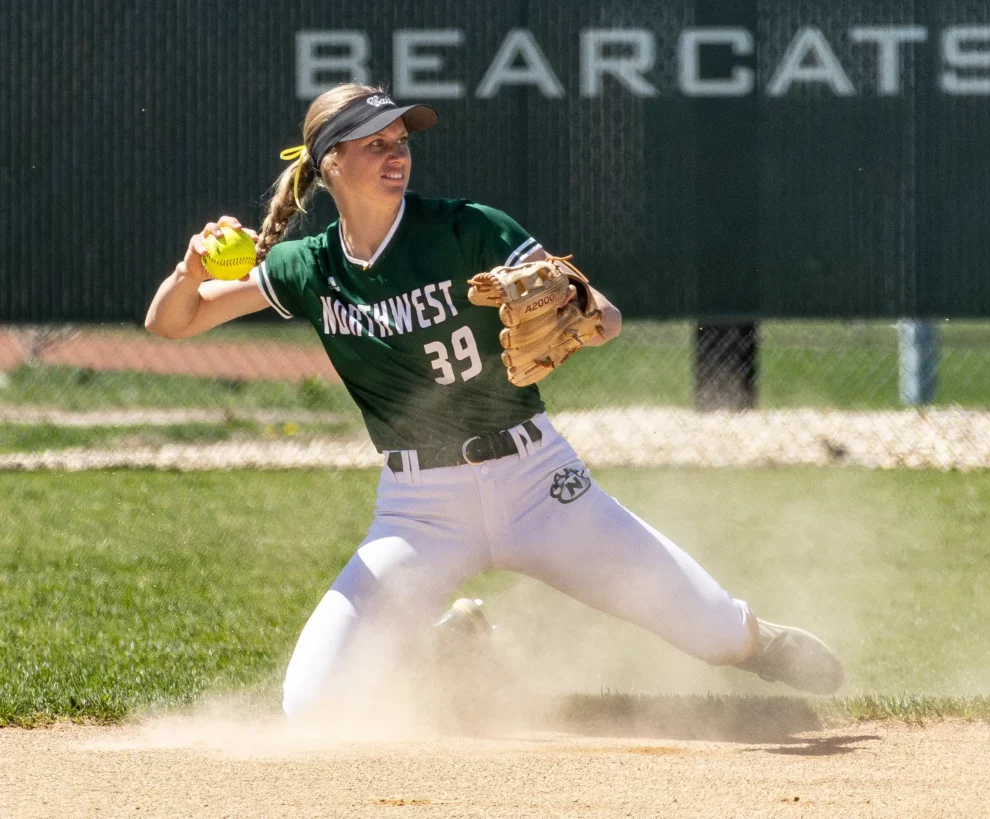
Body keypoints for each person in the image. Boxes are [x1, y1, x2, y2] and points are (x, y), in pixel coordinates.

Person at [146, 83, 843, 718]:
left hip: (539, 485)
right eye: (375, 143)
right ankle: (456, 653)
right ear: (329, 163)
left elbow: (604, 313)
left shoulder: (465, 228)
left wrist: (578, 305)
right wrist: (190, 269)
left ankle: (760, 641)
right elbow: (171, 322)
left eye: (401, 140)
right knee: (310, 703)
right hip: (419, 509)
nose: (396, 154)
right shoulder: (310, 266)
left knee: (717, 631)